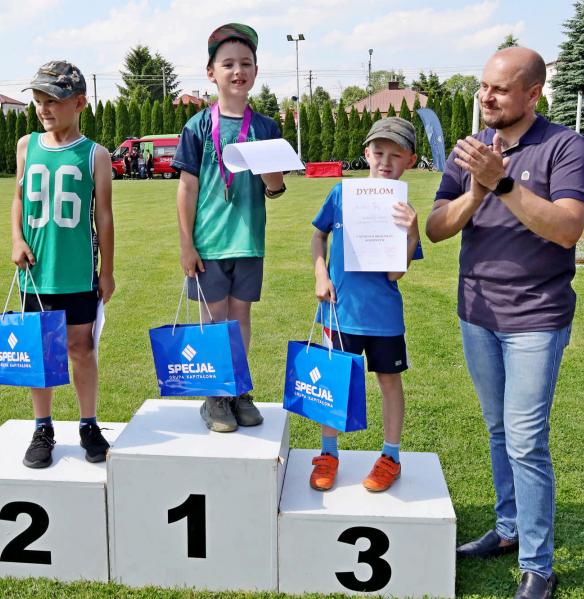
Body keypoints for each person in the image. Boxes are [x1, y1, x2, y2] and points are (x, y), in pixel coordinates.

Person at [425, 47, 584, 599]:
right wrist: (475, 191)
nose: (486, 97)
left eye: (499, 89)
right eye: (483, 86)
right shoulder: (471, 150)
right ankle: (508, 528)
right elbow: (436, 228)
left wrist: (502, 184)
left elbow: (566, 229)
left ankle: (538, 566)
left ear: (532, 94)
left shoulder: (564, 146)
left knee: (525, 440)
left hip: (536, 317)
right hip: (478, 313)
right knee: (499, 430)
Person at [173, 23, 286, 432]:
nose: (238, 71)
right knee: (214, 321)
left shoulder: (266, 128)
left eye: (246, 63)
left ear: (256, 70)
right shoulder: (198, 126)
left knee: (239, 321)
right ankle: (215, 396)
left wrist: (272, 176)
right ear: (211, 73)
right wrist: (187, 244)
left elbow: (275, 188)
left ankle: (237, 389)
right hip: (209, 244)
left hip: (248, 241)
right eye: (228, 64)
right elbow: (187, 189)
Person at [11, 60, 115, 467]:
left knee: (81, 348)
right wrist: (17, 239)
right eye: (38, 101)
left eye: (52, 101)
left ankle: (88, 424)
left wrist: (107, 271)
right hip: (37, 274)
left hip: (77, 272)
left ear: (79, 103)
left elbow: (103, 216)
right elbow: (18, 198)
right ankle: (43, 427)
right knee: (41, 354)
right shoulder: (27, 146)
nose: (44, 109)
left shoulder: (95, 155)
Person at [309, 117, 422, 493]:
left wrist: (412, 233)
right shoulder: (342, 193)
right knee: (333, 381)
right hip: (340, 309)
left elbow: (394, 274)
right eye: (378, 152)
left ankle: (390, 457)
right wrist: (321, 274)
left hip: (382, 316)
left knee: (389, 381)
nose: (385, 161)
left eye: (396, 155)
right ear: (366, 154)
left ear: (410, 161)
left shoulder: (403, 209)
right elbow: (318, 236)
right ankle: (328, 454)